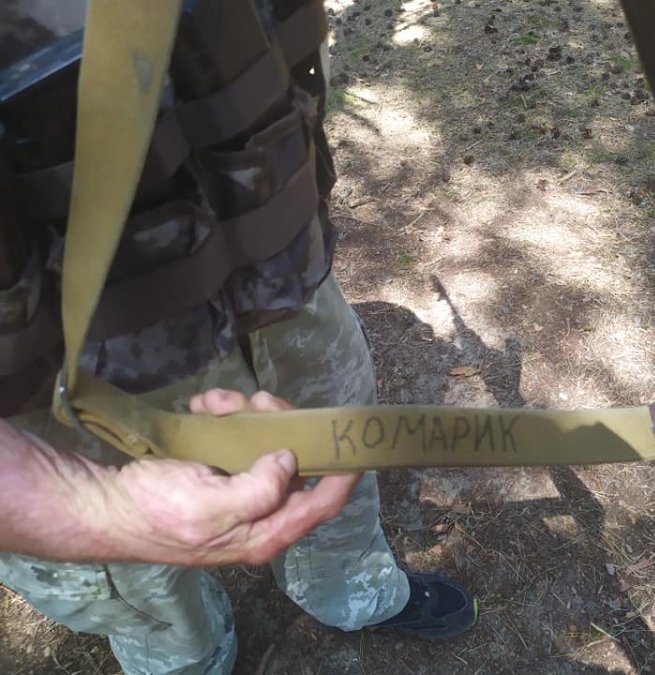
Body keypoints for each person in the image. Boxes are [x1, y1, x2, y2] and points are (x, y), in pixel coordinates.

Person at [0, 1, 476, 673]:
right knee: (132, 575)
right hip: (44, 373)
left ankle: (351, 589)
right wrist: (76, 503)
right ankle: (185, 657)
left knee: (330, 443)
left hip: (262, 239)